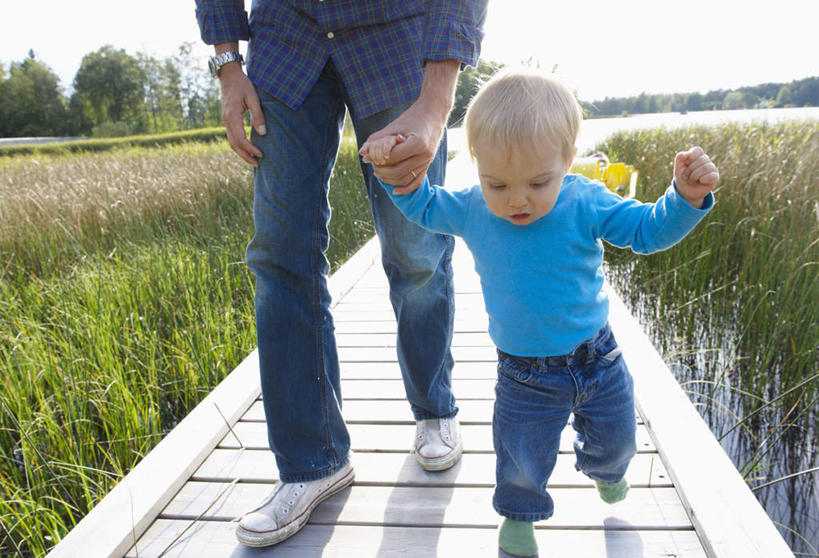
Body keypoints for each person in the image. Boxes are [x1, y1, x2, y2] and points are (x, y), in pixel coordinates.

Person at [361, 69, 719, 557]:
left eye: (537, 182)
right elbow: (424, 207)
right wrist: (398, 178)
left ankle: (606, 473)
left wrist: (685, 199)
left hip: (598, 359)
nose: (517, 200)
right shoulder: (471, 208)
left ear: (567, 161)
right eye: (497, 183)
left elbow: (646, 231)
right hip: (524, 374)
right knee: (520, 460)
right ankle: (519, 520)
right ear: (477, 166)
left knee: (617, 444)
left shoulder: (584, 200)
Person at [194, 0, 487, 548]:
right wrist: (228, 63)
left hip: (397, 32)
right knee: (280, 255)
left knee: (415, 246)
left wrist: (436, 97)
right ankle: (313, 462)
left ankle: (434, 406)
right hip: (287, 37)